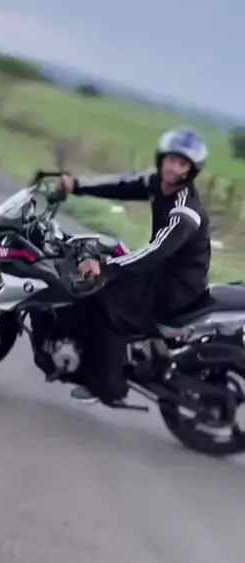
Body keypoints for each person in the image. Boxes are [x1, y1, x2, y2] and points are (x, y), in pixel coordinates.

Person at [57, 127, 211, 406]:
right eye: (171, 159)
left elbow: (155, 252)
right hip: (163, 271)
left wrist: (106, 268)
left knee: (105, 300)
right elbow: (122, 186)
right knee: (102, 267)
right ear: (161, 158)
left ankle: (107, 385)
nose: (173, 167)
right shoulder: (158, 183)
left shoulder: (185, 211)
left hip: (177, 287)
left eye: (182, 164)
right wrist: (77, 186)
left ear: (191, 171)